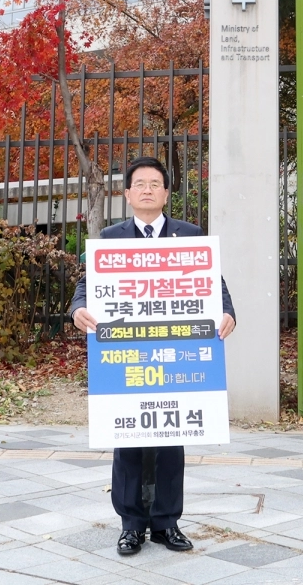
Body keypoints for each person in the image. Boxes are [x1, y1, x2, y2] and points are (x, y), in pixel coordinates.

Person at [70, 156, 236, 556]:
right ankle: (130, 525)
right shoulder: (110, 238)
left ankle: (166, 523)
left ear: (166, 192)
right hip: (126, 356)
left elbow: (215, 284)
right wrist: (78, 309)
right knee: (126, 437)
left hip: (175, 355)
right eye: (139, 183)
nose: (147, 189)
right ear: (127, 194)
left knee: (171, 438)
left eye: (155, 183)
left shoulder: (189, 234)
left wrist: (228, 311)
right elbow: (85, 285)